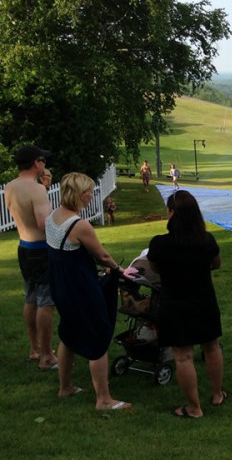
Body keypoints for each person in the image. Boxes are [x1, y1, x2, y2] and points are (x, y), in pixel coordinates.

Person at [45, 172, 130, 410]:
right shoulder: (79, 225)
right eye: (91, 192)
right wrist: (118, 269)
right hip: (80, 288)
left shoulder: (52, 217)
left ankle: (65, 388)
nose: (93, 196)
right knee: (97, 336)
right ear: (82, 195)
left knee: (69, 334)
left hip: (60, 286)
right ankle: (103, 399)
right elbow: (101, 255)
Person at [147, 190, 225, 418]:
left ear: (172, 213)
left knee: (183, 356)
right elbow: (216, 264)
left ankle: (194, 407)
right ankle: (218, 393)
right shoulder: (206, 240)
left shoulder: (160, 244)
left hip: (174, 304)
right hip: (204, 301)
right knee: (212, 347)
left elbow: (154, 268)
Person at [5, 146, 58, 370]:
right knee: (46, 302)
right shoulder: (36, 190)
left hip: (24, 246)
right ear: (36, 163)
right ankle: (47, 356)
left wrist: (43, 190)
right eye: (42, 160)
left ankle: (35, 348)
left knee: (31, 298)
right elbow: (43, 224)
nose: (45, 164)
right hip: (41, 249)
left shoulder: (10, 187)